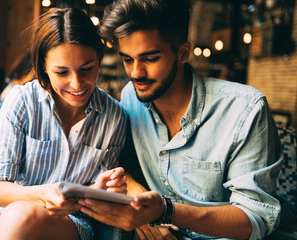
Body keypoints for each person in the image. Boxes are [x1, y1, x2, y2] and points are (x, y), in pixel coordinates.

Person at [78, 0, 284, 239]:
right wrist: (141, 208)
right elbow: (122, 165)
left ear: (183, 53)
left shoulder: (245, 109)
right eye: (128, 59)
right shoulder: (130, 99)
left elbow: (254, 219)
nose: (135, 73)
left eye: (150, 58)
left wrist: (165, 212)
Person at [0, 7, 128, 240]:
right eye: (62, 72)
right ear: (44, 67)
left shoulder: (114, 116)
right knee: (20, 215)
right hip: (7, 221)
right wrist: (46, 194)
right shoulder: (22, 102)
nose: (77, 84)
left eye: (87, 69)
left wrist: (103, 191)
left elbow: (99, 193)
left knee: (23, 217)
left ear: (99, 58)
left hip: (71, 223)